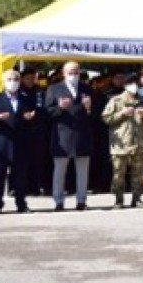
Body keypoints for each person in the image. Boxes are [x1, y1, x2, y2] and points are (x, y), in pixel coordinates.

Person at [45, 60, 96, 211]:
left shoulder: (86, 89)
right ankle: (58, 201)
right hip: (63, 136)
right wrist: (60, 108)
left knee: (82, 171)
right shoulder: (54, 89)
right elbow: (47, 112)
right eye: (70, 73)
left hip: (82, 136)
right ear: (64, 73)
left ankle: (81, 200)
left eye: (76, 72)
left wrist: (88, 108)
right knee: (60, 171)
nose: (73, 75)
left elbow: (96, 114)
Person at [0, 70, 37, 214]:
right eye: (9, 79)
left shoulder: (26, 98)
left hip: (21, 141)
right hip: (2, 143)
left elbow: (35, 116)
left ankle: (21, 204)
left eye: (15, 79)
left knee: (20, 176)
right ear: (3, 81)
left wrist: (30, 117)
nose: (12, 81)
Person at [101, 74, 143, 208]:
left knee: (139, 174)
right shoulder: (116, 100)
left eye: (136, 84)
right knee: (118, 174)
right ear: (125, 86)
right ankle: (118, 200)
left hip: (139, 143)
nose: (134, 87)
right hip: (121, 144)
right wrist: (122, 113)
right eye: (131, 84)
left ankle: (137, 198)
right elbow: (106, 118)